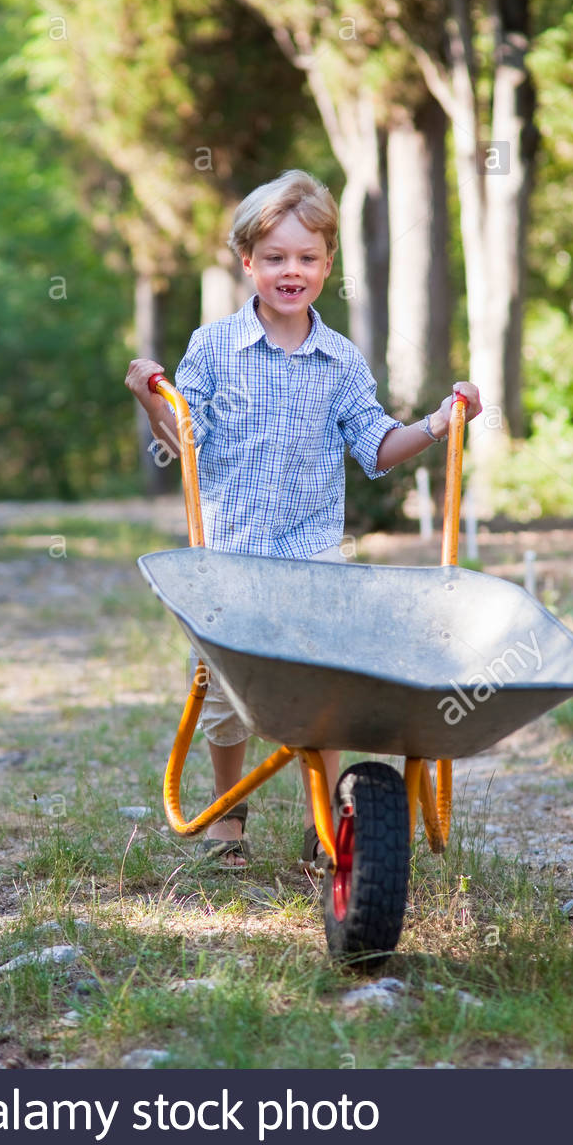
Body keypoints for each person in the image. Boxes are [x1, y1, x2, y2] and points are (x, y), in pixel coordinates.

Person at [125, 169, 482, 868]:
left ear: (327, 265)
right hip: (227, 552)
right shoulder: (214, 348)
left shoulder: (338, 359)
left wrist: (437, 423)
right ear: (247, 262)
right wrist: (149, 398)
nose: (292, 271)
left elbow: (377, 447)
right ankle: (228, 815)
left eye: (307, 258)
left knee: (323, 689)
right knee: (227, 698)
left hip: (311, 553)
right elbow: (185, 443)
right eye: (276, 258)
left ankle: (334, 828)